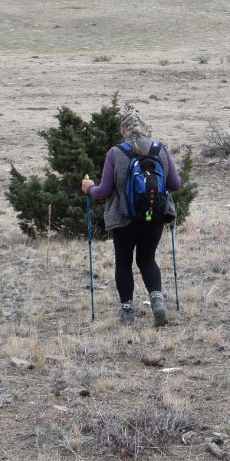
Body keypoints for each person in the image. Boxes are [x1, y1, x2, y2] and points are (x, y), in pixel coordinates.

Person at [81, 108, 181, 326]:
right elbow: (175, 184)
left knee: (123, 263)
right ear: (144, 128)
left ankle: (127, 312)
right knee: (147, 259)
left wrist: (89, 188)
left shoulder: (115, 153)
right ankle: (158, 303)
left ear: (122, 130)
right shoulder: (160, 149)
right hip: (154, 215)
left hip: (123, 218)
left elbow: (104, 191)